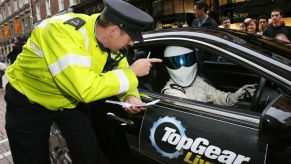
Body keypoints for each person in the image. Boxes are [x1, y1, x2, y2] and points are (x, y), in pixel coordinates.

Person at [4, 0, 162, 163]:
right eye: (131, 37)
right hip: (29, 101)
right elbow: (84, 89)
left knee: (89, 155)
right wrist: (132, 72)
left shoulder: (111, 44)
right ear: (114, 31)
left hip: (68, 102)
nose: (132, 43)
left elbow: (119, 70)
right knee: (31, 158)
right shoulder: (61, 32)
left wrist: (130, 97)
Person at [161, 46, 256, 106]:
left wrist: (235, 96)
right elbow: (190, 111)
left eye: (187, 60)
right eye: (175, 62)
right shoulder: (170, 92)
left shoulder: (198, 80)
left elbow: (216, 96)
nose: (182, 67)